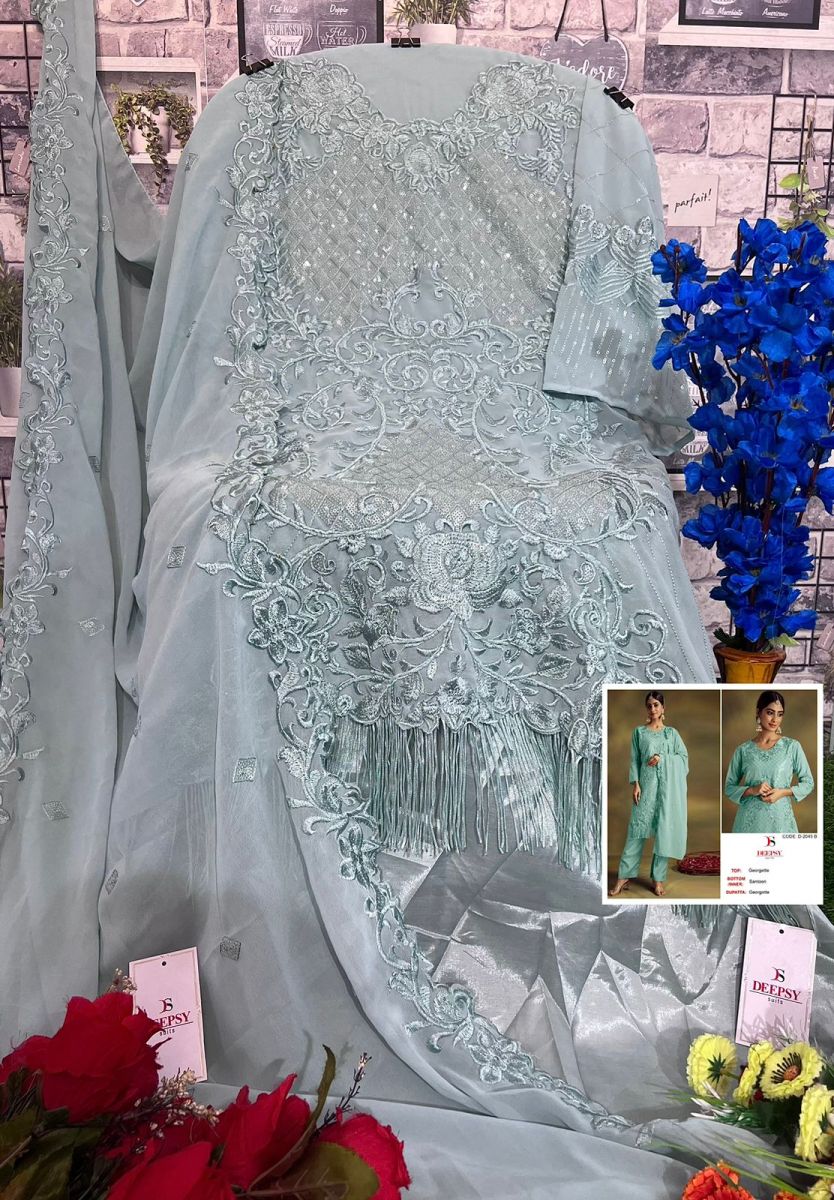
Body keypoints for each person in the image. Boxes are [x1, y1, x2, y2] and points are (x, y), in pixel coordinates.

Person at [609, 691, 689, 898]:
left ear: (663, 708)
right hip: (646, 787)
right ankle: (624, 876)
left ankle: (658, 879)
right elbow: (635, 759)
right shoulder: (639, 732)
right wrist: (636, 784)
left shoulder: (672, 734)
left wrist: (662, 758)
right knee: (636, 831)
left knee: (663, 833)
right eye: (649, 706)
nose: (652, 709)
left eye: (656, 705)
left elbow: (683, 759)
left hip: (667, 792)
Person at [725, 690, 814, 834]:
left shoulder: (791, 747)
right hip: (748, 824)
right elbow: (729, 788)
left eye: (780, 714)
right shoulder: (744, 750)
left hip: (780, 822)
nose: (775, 719)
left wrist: (783, 792)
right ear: (758, 712)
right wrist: (752, 790)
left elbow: (808, 783)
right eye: (770, 712)